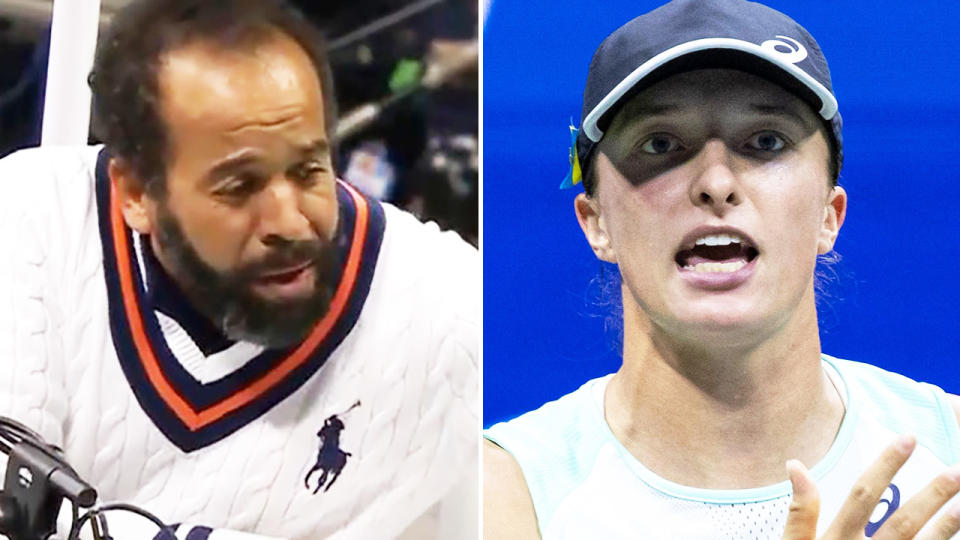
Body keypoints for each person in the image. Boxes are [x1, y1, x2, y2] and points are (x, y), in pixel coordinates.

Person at [0, 0, 477, 538]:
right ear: (136, 193)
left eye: (308, 170)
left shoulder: (443, 305)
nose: (290, 222)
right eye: (239, 186)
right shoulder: (29, 221)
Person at [483, 0, 960, 538]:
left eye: (765, 142)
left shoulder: (950, 453)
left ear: (830, 215)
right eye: (661, 144)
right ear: (597, 223)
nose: (716, 181)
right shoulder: (502, 491)